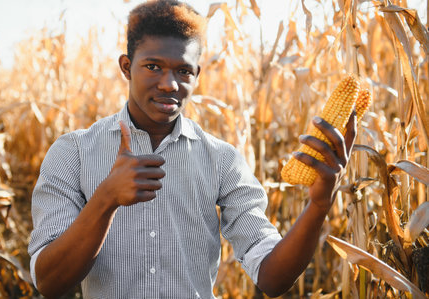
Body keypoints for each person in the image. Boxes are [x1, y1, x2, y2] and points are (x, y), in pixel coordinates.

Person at [28, 1, 357, 298]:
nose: (169, 83)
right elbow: (49, 282)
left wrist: (319, 203)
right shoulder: (73, 152)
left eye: (183, 71)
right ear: (126, 67)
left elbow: (272, 278)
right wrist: (106, 199)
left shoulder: (221, 160)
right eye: (153, 66)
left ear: (197, 75)